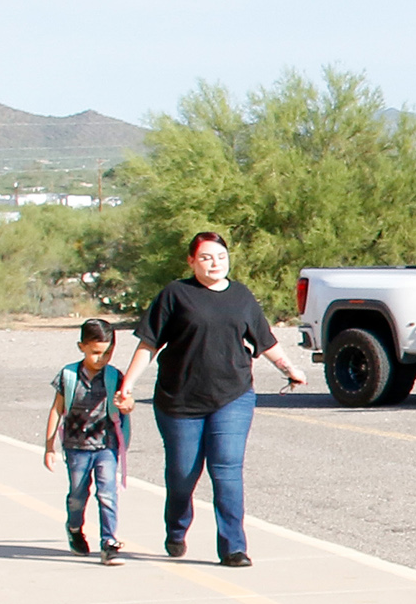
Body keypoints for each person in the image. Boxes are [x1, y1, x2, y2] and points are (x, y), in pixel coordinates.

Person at [113, 231, 306, 567]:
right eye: (205, 257)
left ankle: (233, 547)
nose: (214, 263)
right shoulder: (175, 294)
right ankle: (176, 528)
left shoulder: (241, 296)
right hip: (180, 401)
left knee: (226, 469)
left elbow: (265, 340)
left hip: (233, 396)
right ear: (191, 261)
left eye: (220, 257)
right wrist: (127, 383)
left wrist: (289, 368)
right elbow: (148, 344)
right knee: (182, 475)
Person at [42, 317, 128, 563]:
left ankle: (109, 542)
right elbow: (57, 410)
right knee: (78, 494)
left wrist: (128, 405)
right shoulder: (68, 375)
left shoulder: (114, 376)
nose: (101, 358)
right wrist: (49, 447)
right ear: (82, 347)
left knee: (108, 493)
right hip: (76, 447)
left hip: (106, 446)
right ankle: (74, 529)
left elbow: (125, 401)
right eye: (96, 353)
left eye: (108, 353)